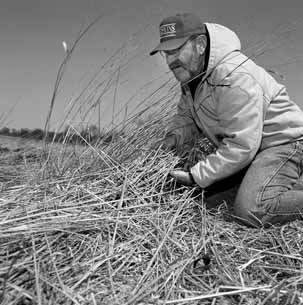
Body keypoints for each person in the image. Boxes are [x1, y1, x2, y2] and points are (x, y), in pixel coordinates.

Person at [150, 12, 303, 227]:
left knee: (251, 211)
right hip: (254, 151)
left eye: (176, 50)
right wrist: (170, 142)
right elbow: (185, 118)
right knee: (208, 202)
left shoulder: (234, 77)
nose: (170, 61)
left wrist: (196, 175)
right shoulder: (191, 78)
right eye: (166, 53)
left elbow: (242, 146)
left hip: (283, 144)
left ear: (200, 45)